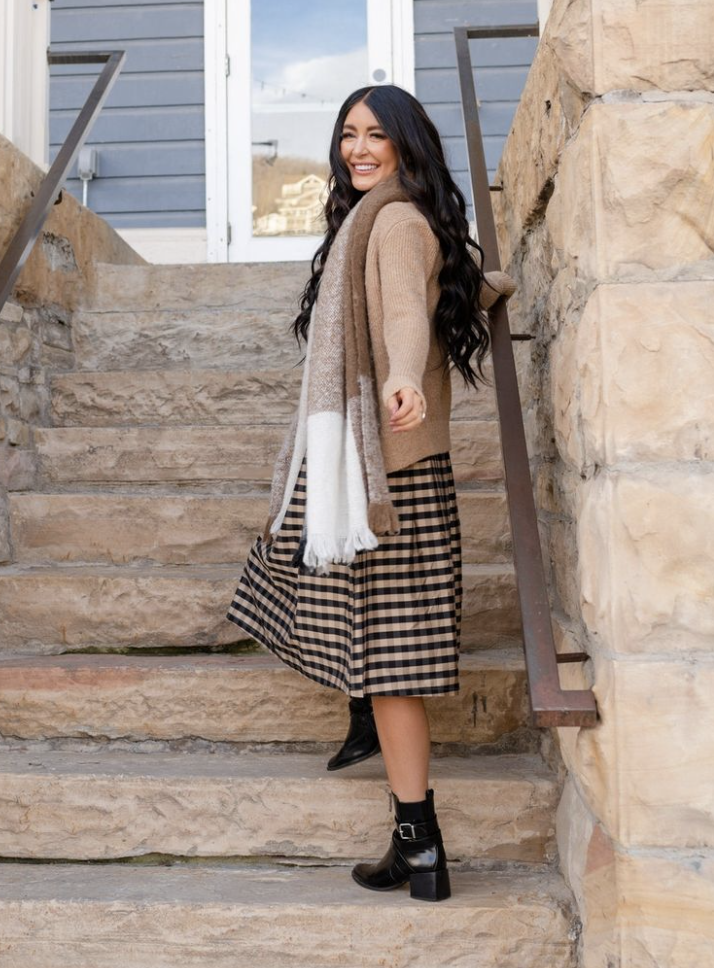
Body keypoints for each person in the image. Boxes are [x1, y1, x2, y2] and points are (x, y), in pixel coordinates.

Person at [226, 83, 513, 902]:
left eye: (375, 135)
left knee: (386, 663)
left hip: (388, 473)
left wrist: (397, 377)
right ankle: (399, 813)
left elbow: (399, 317)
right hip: (388, 469)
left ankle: (419, 845)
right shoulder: (405, 221)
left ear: (405, 144)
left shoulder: (389, 224)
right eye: (347, 134)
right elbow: (429, 290)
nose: (357, 148)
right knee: (345, 625)